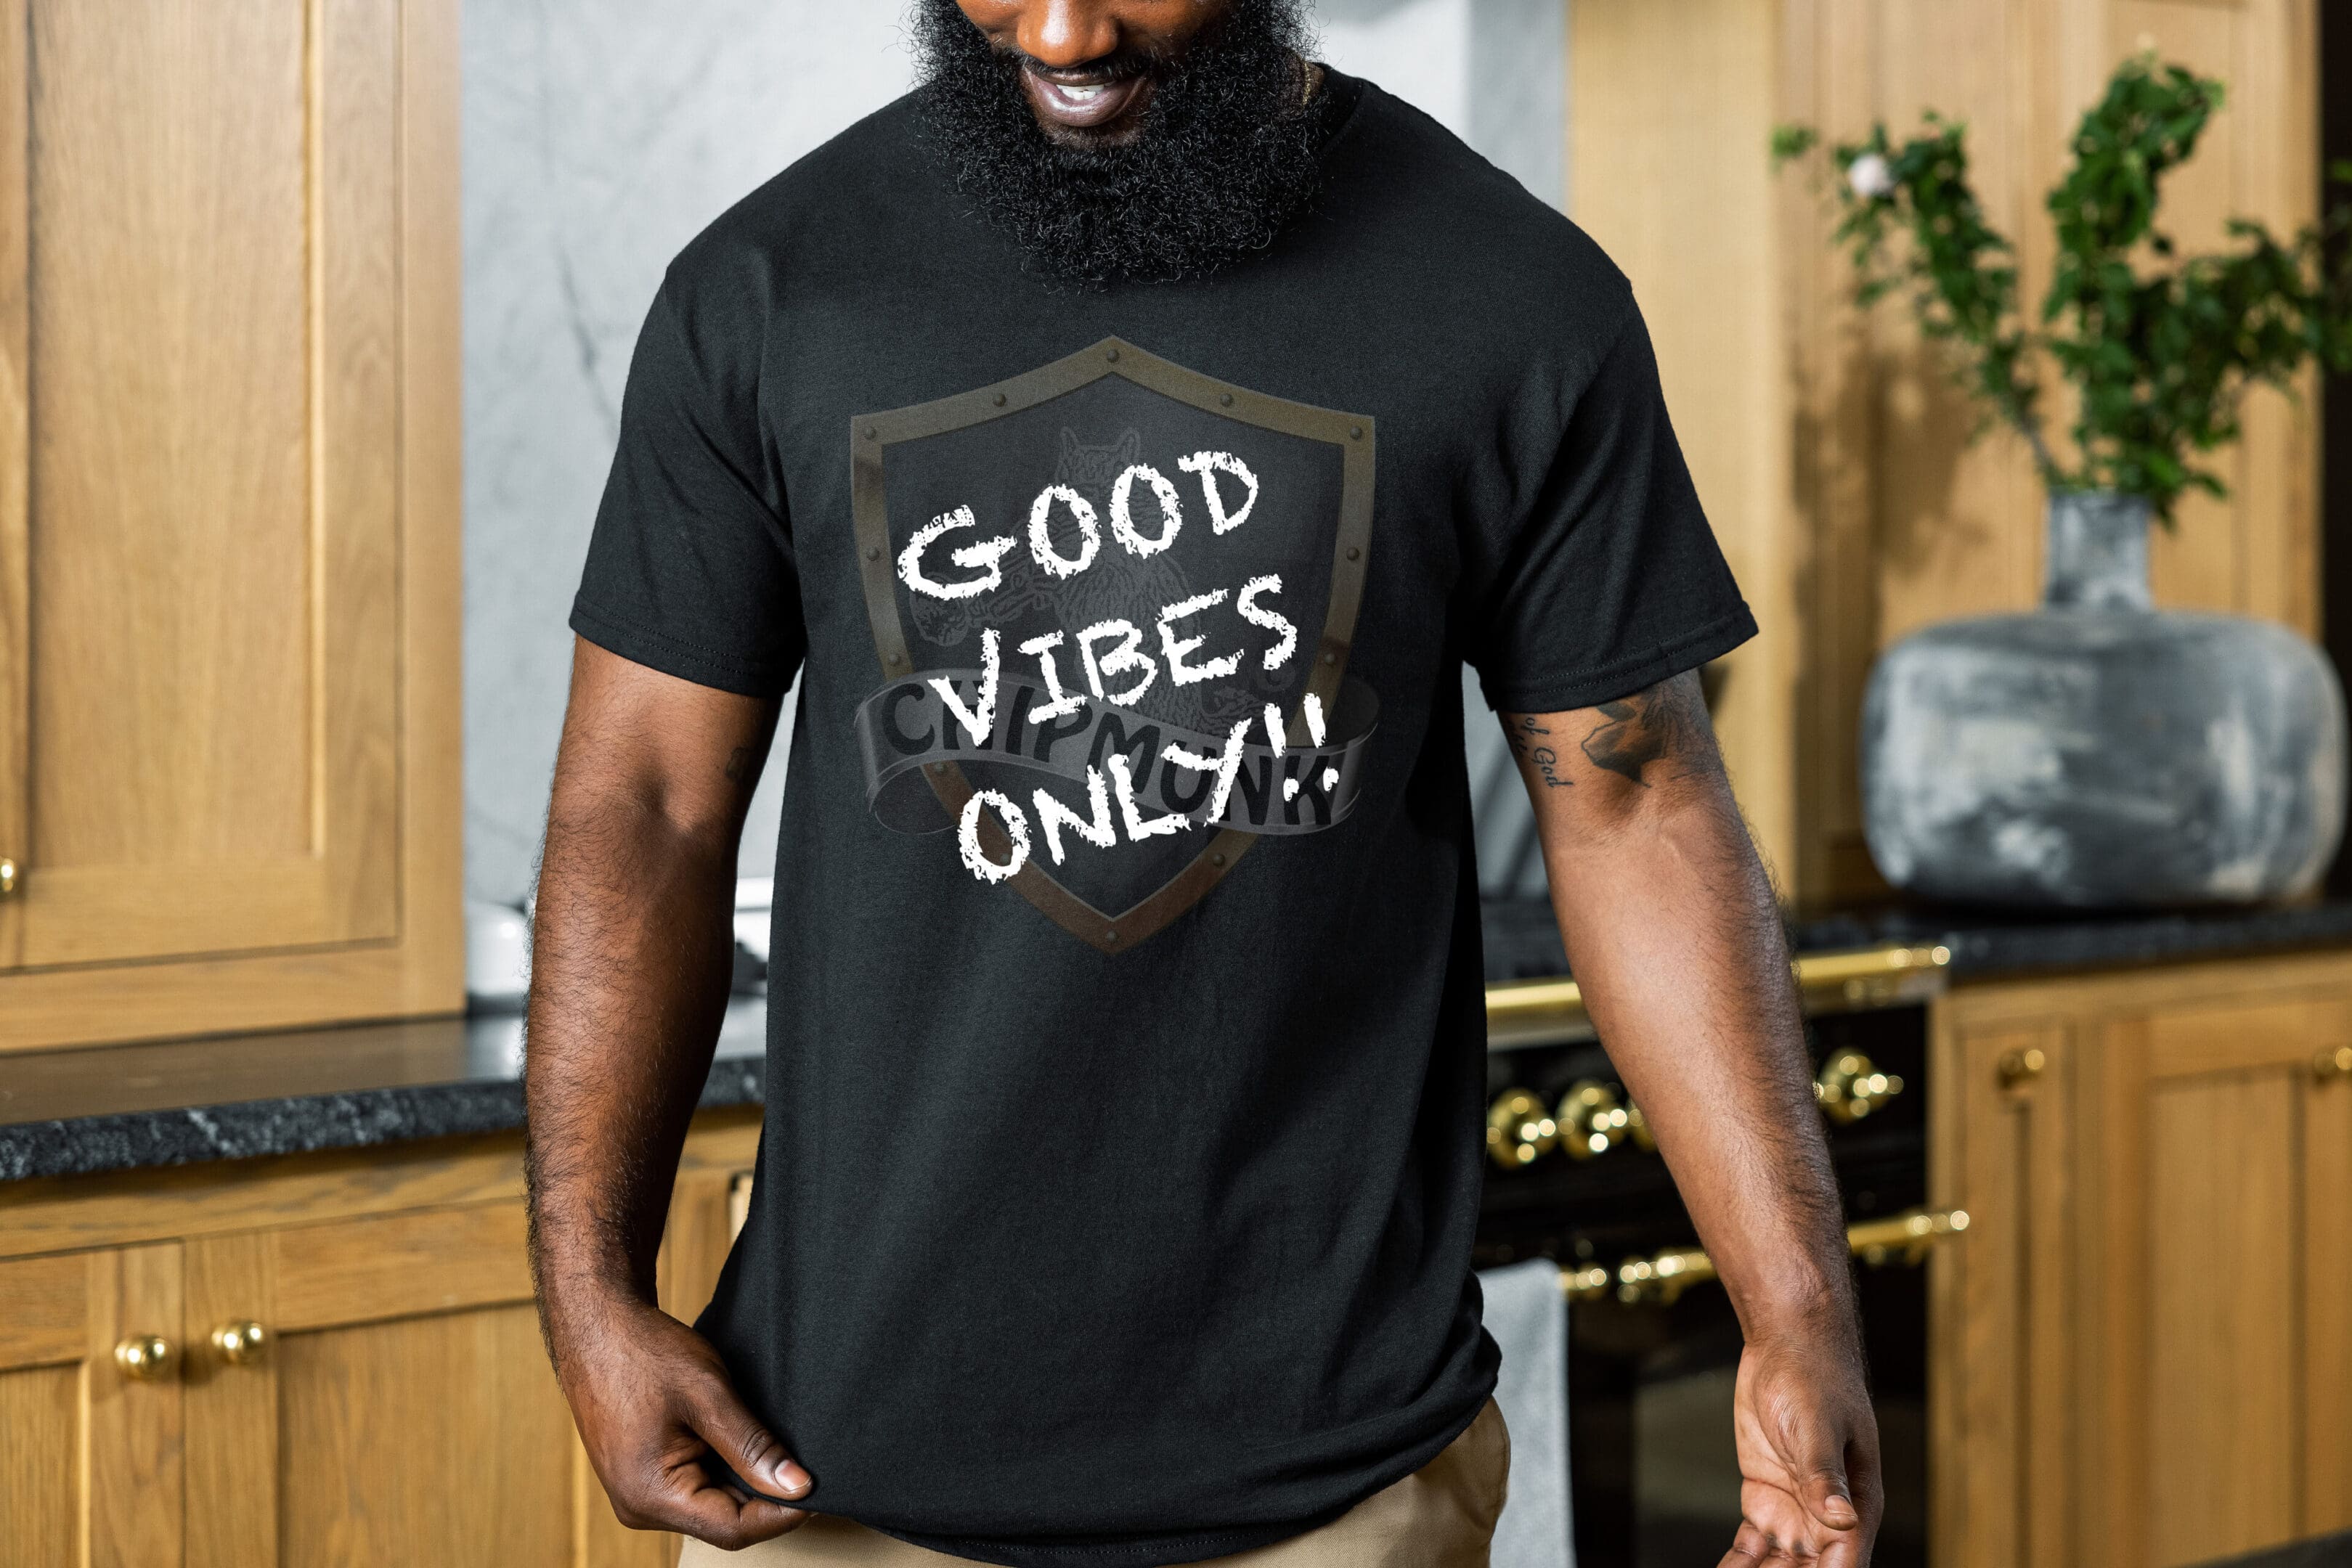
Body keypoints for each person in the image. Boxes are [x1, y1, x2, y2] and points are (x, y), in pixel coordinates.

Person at [524, 0, 1883, 1564]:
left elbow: (1636, 803)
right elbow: (645, 806)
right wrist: (588, 1295)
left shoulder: (1513, 298)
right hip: (828, 1485)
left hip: (1338, 1490)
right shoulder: (766, 294)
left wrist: (1793, 1306)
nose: (1058, 27)